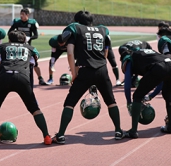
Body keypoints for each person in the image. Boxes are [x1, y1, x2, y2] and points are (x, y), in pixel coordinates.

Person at [52, 11, 125, 144]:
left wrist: (74, 73)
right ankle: (118, 130)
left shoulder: (76, 29)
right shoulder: (102, 30)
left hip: (85, 69)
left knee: (70, 103)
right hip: (102, 69)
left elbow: (69, 53)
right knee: (111, 101)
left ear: (77, 20)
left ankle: (61, 135)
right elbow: (106, 51)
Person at [0, 30, 51, 146]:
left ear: (10, 39)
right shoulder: (31, 48)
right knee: (35, 109)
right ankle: (47, 136)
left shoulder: (2, 46)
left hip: (5, 77)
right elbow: (34, 61)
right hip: (23, 78)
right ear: (23, 40)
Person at [120, 47, 171, 137]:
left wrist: (129, 102)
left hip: (159, 67)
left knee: (137, 96)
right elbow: (160, 81)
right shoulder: (144, 55)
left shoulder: (128, 59)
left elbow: (127, 84)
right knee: (167, 95)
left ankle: (133, 131)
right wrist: (151, 96)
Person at [8, 8, 47, 86]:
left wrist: (28, 38)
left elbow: (36, 35)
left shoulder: (32, 23)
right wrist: (16, 37)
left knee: (34, 62)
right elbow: (9, 32)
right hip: (17, 46)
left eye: (23, 14)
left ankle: (40, 78)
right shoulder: (17, 22)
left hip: (27, 46)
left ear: (27, 15)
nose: (21, 16)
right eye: (20, 14)